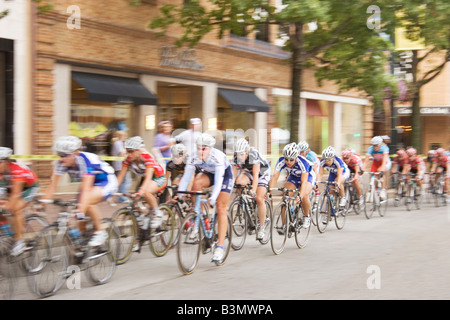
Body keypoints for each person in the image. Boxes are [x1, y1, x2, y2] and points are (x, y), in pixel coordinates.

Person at [43, 136, 118, 247]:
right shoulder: (61, 163)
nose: (61, 158)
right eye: (59, 155)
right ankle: (80, 250)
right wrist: (43, 201)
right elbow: (52, 185)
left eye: (65, 155)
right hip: (91, 184)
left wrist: (79, 213)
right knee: (79, 217)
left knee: (85, 202)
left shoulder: (85, 160)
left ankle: (100, 231)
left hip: (106, 180)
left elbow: (86, 189)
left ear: (75, 153)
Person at [177, 133, 234, 263]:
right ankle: (199, 216)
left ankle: (220, 247)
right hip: (208, 173)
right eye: (198, 147)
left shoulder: (217, 157)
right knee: (196, 183)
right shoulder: (193, 157)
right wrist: (179, 194)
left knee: (220, 207)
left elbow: (219, 181)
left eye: (203, 148)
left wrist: (213, 197)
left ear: (210, 148)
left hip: (224, 175)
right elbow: (186, 178)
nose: (200, 151)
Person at [116, 136, 166, 230]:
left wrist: (141, 191)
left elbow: (148, 177)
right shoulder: (128, 160)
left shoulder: (147, 157)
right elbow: (121, 176)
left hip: (158, 177)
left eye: (131, 151)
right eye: (127, 151)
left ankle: (157, 213)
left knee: (145, 192)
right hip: (146, 179)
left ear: (138, 150)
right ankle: (145, 218)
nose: (128, 154)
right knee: (135, 203)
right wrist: (113, 189)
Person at [0, 147, 40, 256]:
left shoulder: (16, 170)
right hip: (11, 186)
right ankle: (7, 233)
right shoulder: (1, 172)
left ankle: (19, 241)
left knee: (16, 208)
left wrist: (6, 207)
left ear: (6, 161)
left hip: (29, 187)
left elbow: (15, 195)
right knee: (3, 207)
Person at [231, 138, 271, 240]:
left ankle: (261, 227)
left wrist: (253, 190)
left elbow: (256, 174)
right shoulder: (236, 156)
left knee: (258, 199)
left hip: (262, 173)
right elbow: (233, 174)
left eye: (242, 154)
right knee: (238, 183)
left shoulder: (253, 154)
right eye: (237, 154)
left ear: (247, 152)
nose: (239, 157)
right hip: (249, 171)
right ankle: (245, 203)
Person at [269, 143, 315, 228]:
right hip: (293, 176)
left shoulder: (303, 162)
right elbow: (275, 177)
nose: (288, 162)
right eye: (286, 159)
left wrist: (300, 196)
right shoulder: (281, 161)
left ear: (296, 158)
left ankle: (306, 216)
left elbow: (304, 182)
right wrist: (269, 192)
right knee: (285, 197)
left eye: (291, 159)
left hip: (307, 177)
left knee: (304, 195)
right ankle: (284, 225)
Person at [111, 131, 131, 202]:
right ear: (121, 136)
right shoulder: (118, 143)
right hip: (120, 165)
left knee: (123, 181)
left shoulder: (118, 143)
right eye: (124, 136)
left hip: (119, 165)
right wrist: (127, 149)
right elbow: (121, 153)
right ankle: (122, 198)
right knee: (126, 181)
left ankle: (120, 197)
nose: (125, 138)